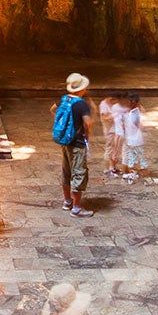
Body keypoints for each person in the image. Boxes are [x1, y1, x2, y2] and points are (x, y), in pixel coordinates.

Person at [51, 74, 94, 217]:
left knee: (66, 171)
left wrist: (62, 126)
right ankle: (76, 208)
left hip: (65, 141)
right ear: (81, 89)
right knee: (79, 172)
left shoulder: (64, 99)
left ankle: (67, 201)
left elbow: (52, 110)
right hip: (77, 143)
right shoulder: (81, 104)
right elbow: (88, 123)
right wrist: (87, 134)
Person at [120, 92, 146, 181]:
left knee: (132, 156)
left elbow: (138, 126)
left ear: (133, 102)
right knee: (126, 155)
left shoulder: (135, 113)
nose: (127, 104)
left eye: (129, 102)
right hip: (129, 138)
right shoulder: (131, 111)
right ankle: (126, 171)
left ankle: (132, 172)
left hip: (133, 139)